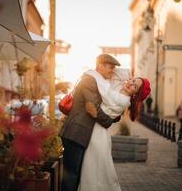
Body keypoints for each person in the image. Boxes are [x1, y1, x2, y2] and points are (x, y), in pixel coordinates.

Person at [78, 68, 151, 191]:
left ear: (135, 94)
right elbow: (118, 73)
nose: (131, 83)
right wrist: (124, 75)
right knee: (95, 169)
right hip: (97, 132)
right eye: (132, 80)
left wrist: (92, 73)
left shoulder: (122, 100)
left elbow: (104, 90)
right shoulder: (119, 89)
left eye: (135, 86)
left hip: (97, 135)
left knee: (91, 169)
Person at [58, 53, 122, 191]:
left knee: (75, 175)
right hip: (75, 133)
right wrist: (108, 122)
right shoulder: (90, 80)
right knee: (71, 176)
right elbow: (91, 108)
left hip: (79, 134)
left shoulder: (97, 81)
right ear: (100, 66)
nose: (113, 71)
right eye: (110, 67)